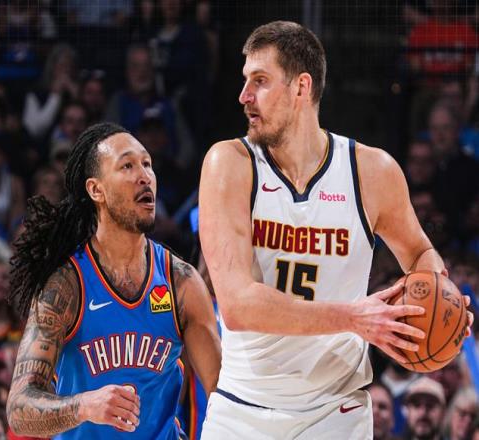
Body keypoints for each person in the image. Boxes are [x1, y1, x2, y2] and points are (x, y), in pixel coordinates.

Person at [198, 21, 473, 439]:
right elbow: (237, 306)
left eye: (260, 81)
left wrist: (439, 301)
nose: (244, 96)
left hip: (337, 412)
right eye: (245, 80)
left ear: (301, 87)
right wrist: (356, 318)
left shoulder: (371, 171)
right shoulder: (229, 164)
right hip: (244, 408)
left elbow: (420, 253)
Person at [6, 122, 221, 439]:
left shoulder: (181, 282)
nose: (144, 175)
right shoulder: (67, 285)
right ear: (96, 190)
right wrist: (84, 406)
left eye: (147, 164)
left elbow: (223, 393)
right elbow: (18, 409)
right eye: (127, 166)